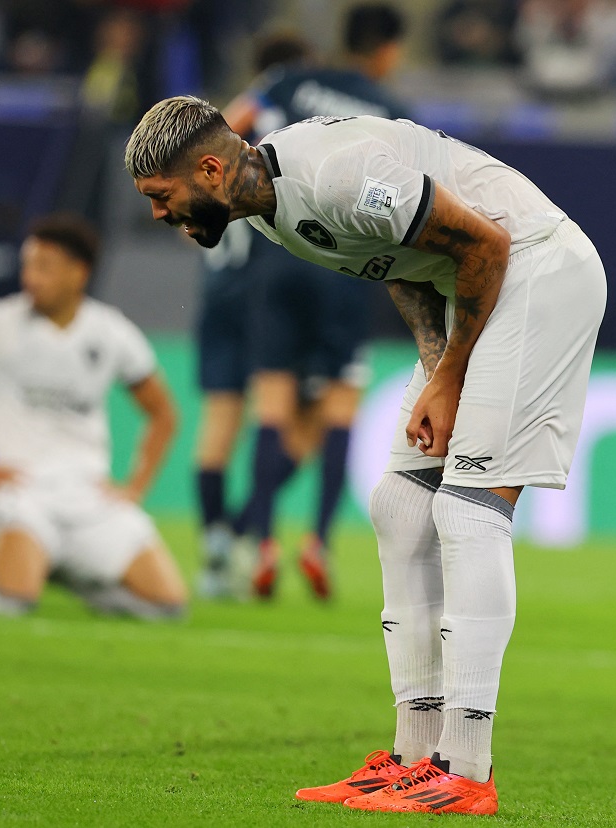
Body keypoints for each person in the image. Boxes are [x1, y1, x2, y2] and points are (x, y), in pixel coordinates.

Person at [123, 96, 606, 814]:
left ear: (212, 168)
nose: (161, 215)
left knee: (469, 511)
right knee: (401, 507)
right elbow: (403, 264)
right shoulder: (273, 211)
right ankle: (414, 756)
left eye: (163, 197)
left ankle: (467, 770)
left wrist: (447, 379)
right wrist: (439, 363)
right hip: (473, 291)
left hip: (536, 271)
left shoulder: (337, 178)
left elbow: (484, 245)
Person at [197, 7, 410, 602]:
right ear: (388, 50)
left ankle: (259, 543)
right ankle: (316, 542)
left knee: (272, 405)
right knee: (338, 406)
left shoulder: (286, 83)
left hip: (275, 261)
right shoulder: (388, 109)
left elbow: (224, 132)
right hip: (341, 266)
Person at [0, 213, 188, 620]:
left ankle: (74, 573)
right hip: (24, 493)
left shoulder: (111, 332)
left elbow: (162, 413)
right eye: (28, 265)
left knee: (167, 607)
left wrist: (135, 487)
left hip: (90, 496)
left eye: (44, 267)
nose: (31, 278)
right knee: (11, 605)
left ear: (79, 273)